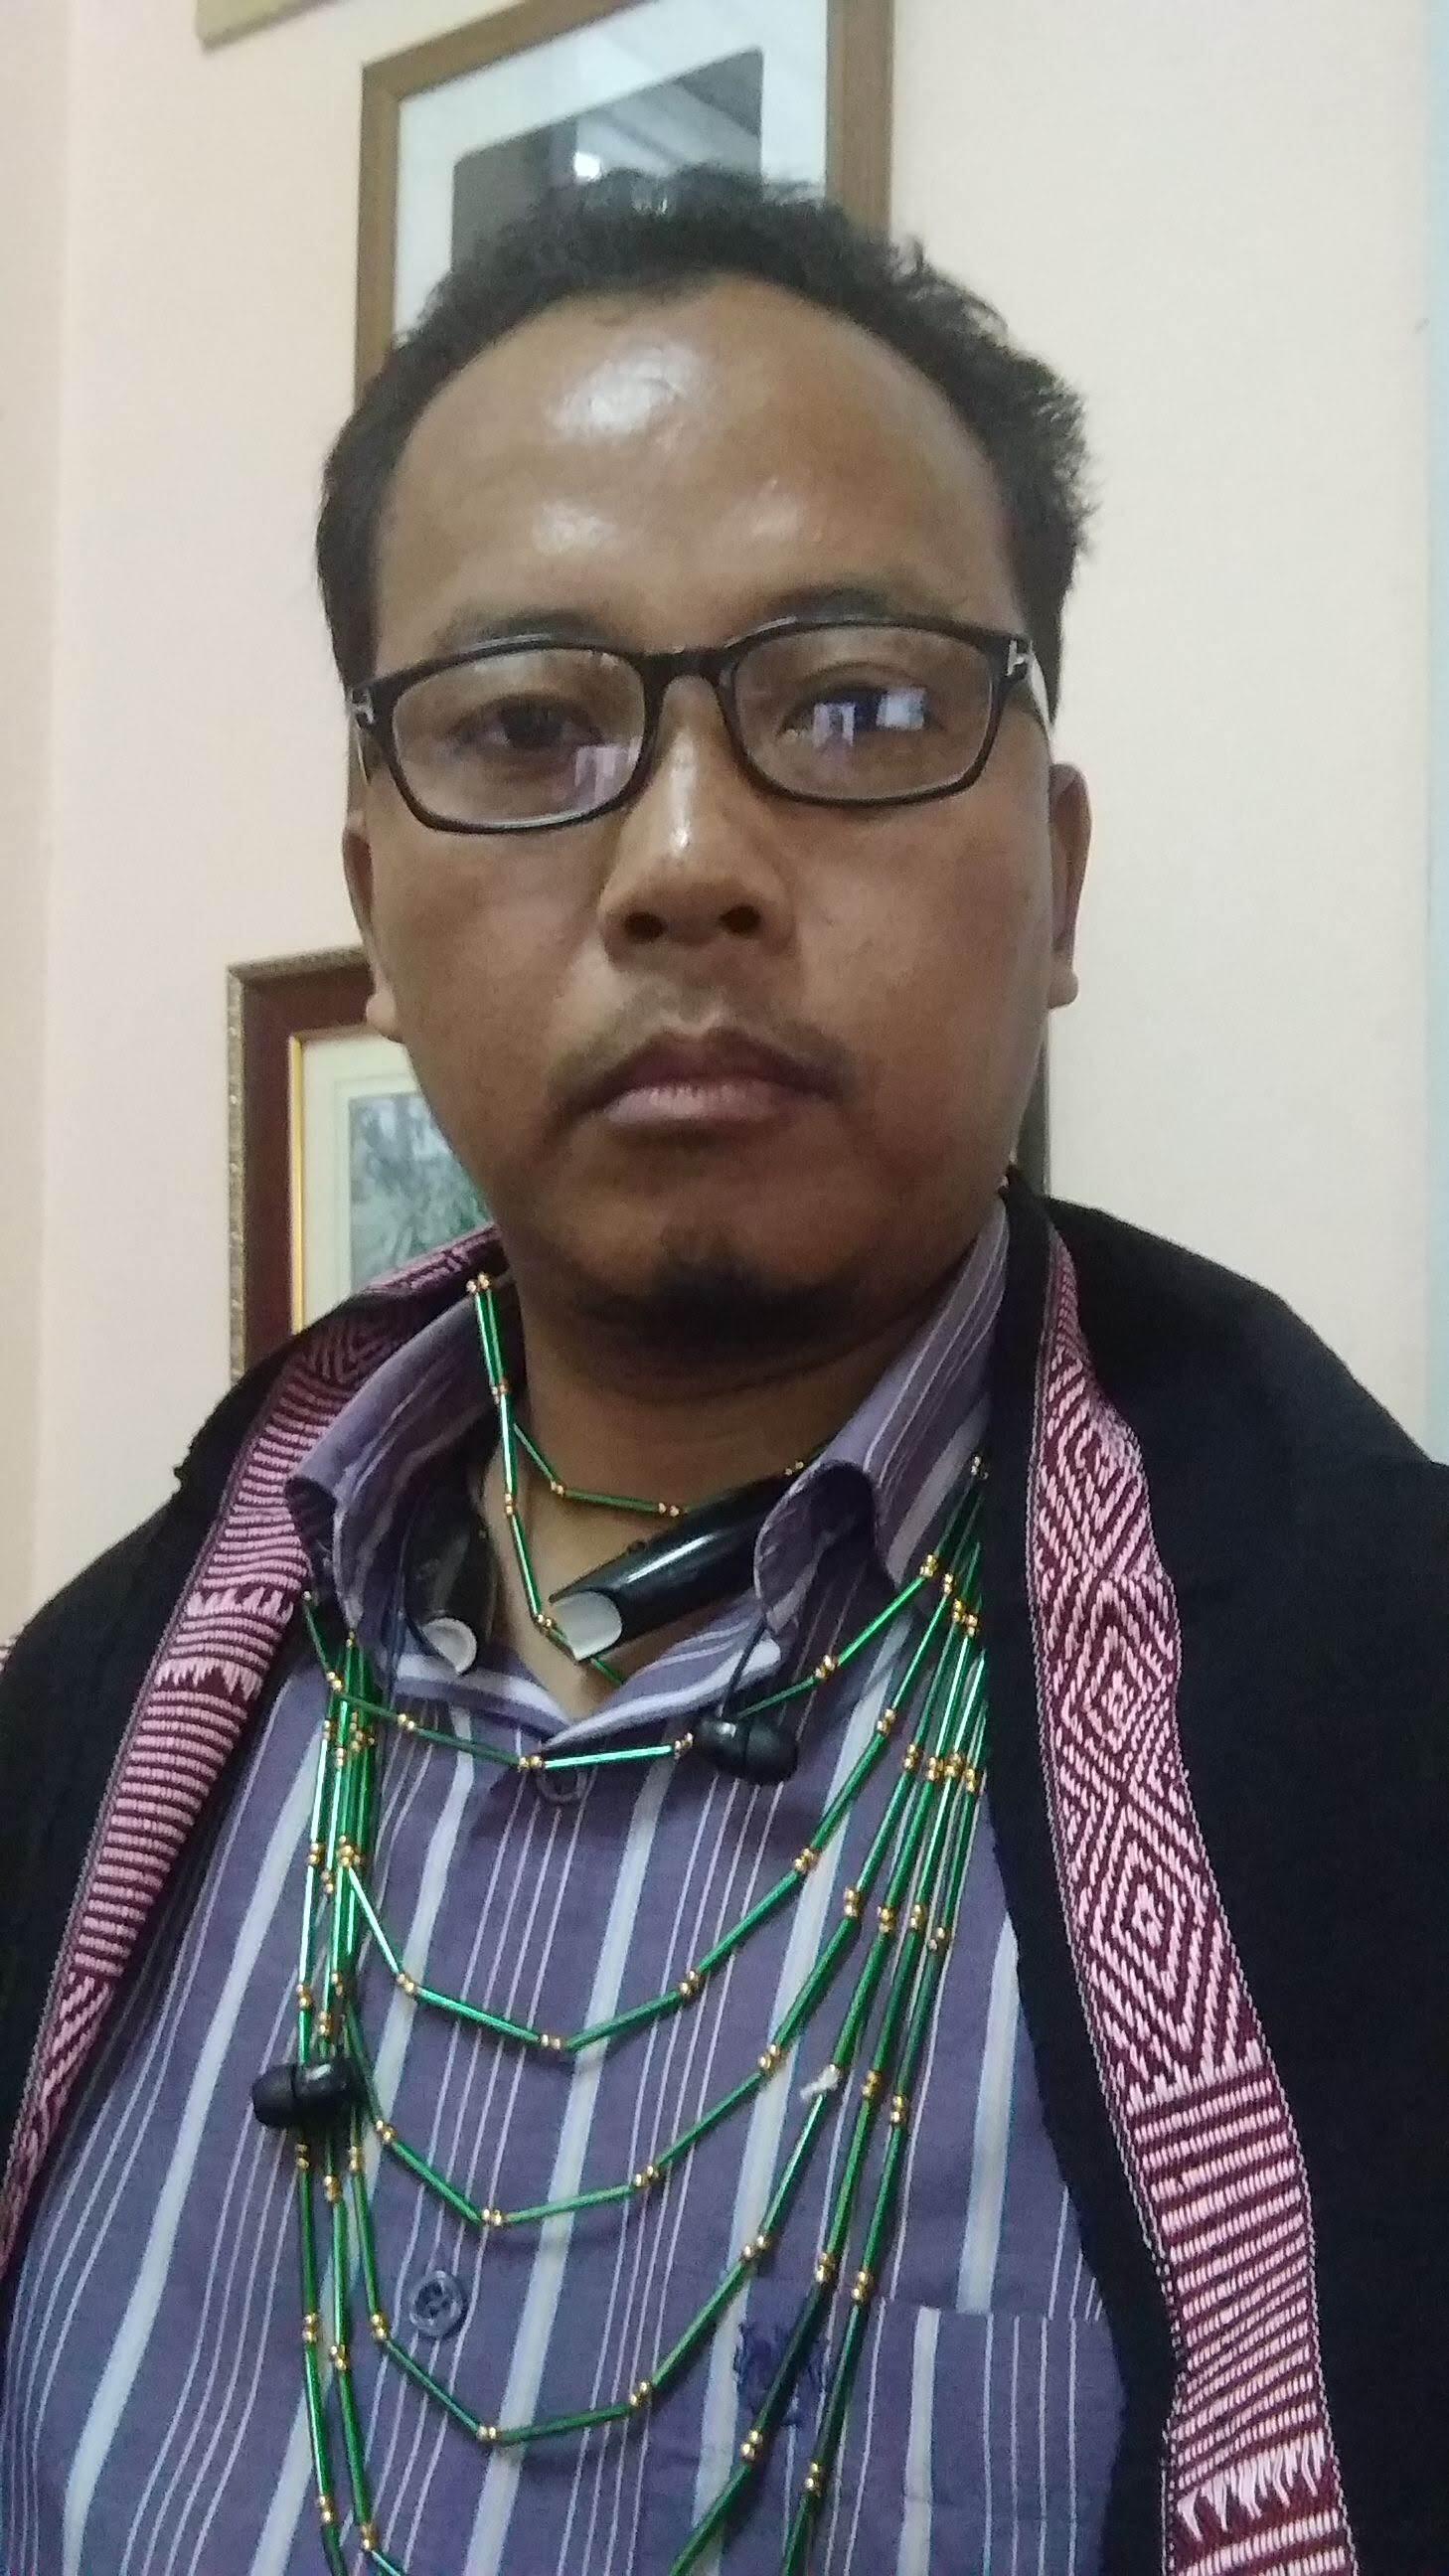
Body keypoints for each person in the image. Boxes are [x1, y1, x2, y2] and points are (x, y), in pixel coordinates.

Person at [0, 169, 1443, 2576]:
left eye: (855, 705)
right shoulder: (89, 1721)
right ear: (373, 911)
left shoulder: (1379, 1735)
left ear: (1059, 878)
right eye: (526, 722)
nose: (686, 861)